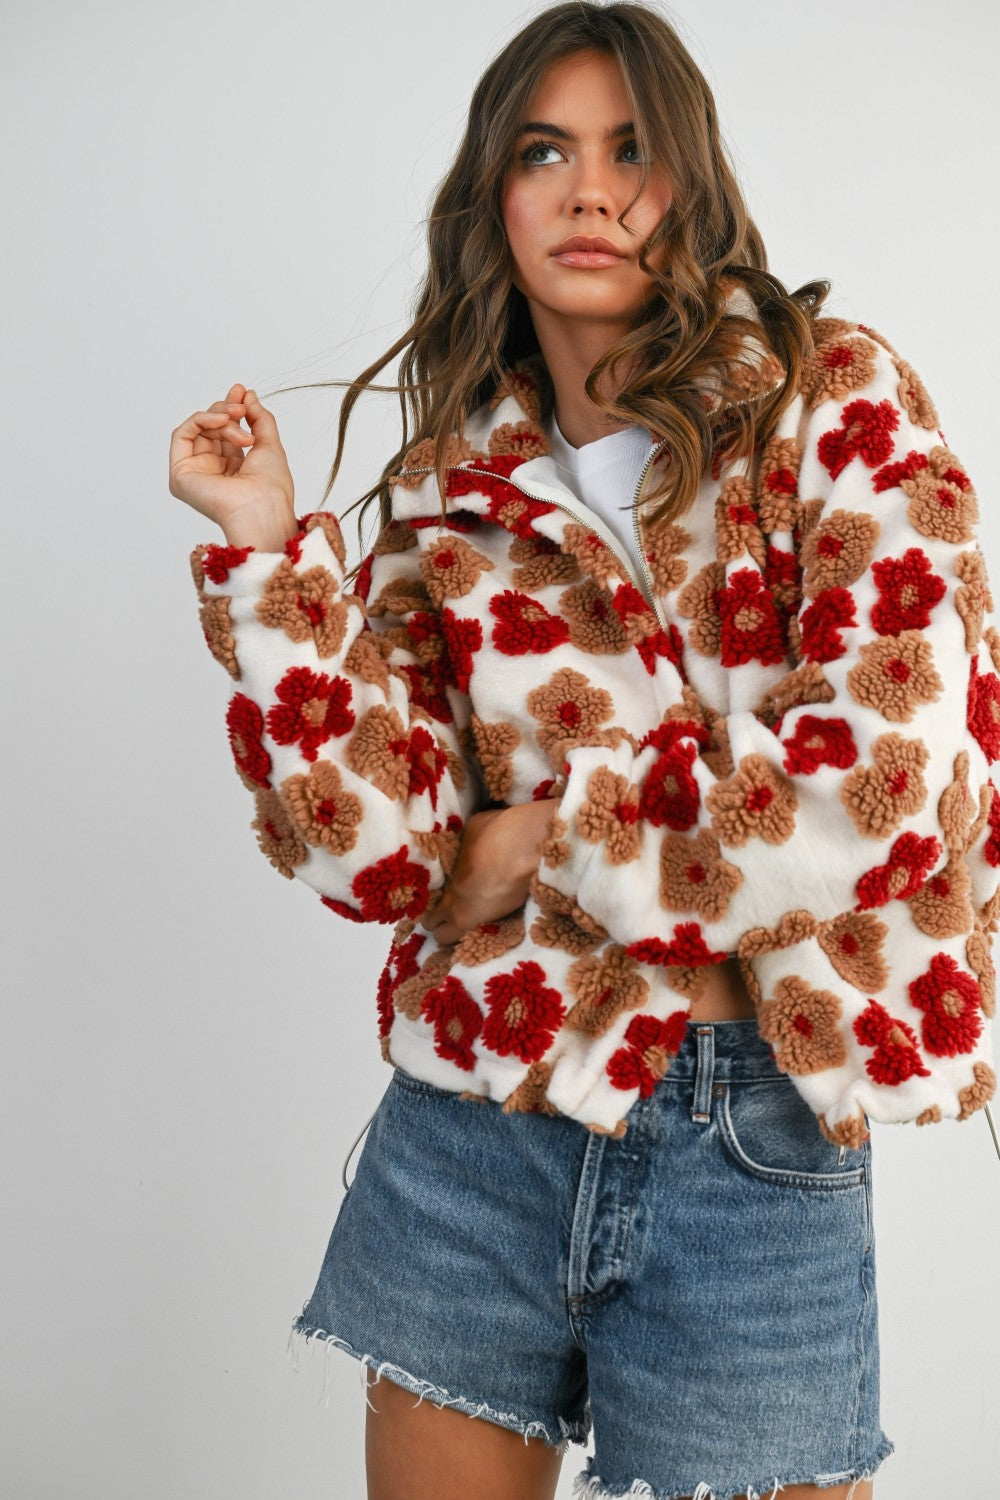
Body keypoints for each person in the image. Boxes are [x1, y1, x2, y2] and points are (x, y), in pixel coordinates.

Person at [168, 5, 999, 1497]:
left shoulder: (833, 401)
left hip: (754, 1129)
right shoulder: (453, 484)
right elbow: (380, 855)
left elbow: (878, 786)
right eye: (547, 153)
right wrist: (265, 554)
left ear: (695, 185)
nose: (594, 192)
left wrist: (549, 838)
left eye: (635, 153)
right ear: (495, 192)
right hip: (480, 1119)